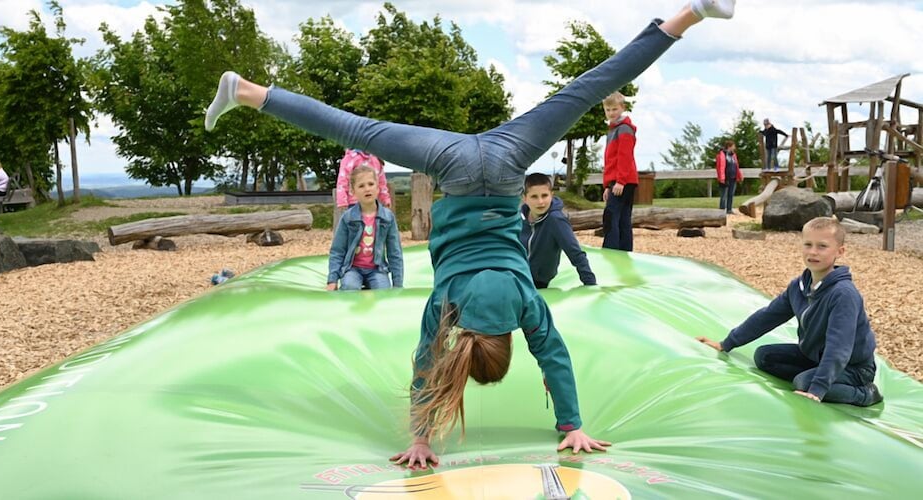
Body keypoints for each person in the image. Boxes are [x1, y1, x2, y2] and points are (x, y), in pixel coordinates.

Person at [205, 0, 735, 468]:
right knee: (357, 130)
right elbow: (423, 364)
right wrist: (420, 436)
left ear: (505, 343)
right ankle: (248, 92)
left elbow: (555, 358)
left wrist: (572, 425)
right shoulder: (448, 307)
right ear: (467, 346)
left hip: (506, 164)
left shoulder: (524, 302)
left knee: (584, 91)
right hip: (453, 167)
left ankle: (690, 13)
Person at [696, 217, 883, 407]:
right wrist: (726, 343)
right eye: (808, 244)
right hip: (814, 357)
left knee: (804, 383)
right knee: (764, 356)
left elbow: (839, 347)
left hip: (854, 367)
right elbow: (768, 316)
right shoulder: (799, 286)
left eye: (822, 246)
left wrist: (817, 389)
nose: (813, 252)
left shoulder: (843, 294)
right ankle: (815, 376)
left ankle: (865, 394)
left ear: (839, 252)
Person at [327, 165, 404, 291]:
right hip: (353, 268)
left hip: (377, 269)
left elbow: (394, 251)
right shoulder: (348, 218)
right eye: (361, 186)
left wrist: (398, 284)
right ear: (353, 191)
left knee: (383, 290)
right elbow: (337, 250)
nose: (367, 189)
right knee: (349, 286)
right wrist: (332, 280)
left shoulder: (387, 217)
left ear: (378, 187)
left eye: (371, 184)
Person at [520, 173, 597, 288]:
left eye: (544, 195)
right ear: (525, 198)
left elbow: (574, 252)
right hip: (517, 275)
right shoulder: (518, 219)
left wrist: (590, 284)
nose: (540, 202)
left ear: (551, 195)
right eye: (534, 197)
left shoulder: (556, 220)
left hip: (538, 281)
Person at [602, 92, 638, 251]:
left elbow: (625, 157)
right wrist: (607, 186)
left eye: (614, 109)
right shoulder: (613, 129)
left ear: (622, 108)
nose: (611, 113)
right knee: (622, 218)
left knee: (611, 217)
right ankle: (624, 252)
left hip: (623, 181)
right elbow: (610, 160)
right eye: (608, 110)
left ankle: (611, 251)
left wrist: (620, 181)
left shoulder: (624, 129)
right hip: (616, 181)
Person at [715, 139, 743, 214]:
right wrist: (721, 178)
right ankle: (722, 210)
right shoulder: (722, 155)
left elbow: (736, 166)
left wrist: (739, 175)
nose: (734, 147)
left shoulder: (733, 155)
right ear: (729, 146)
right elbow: (720, 167)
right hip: (725, 178)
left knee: (731, 194)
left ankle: (729, 210)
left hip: (733, 178)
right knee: (723, 195)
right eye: (733, 146)